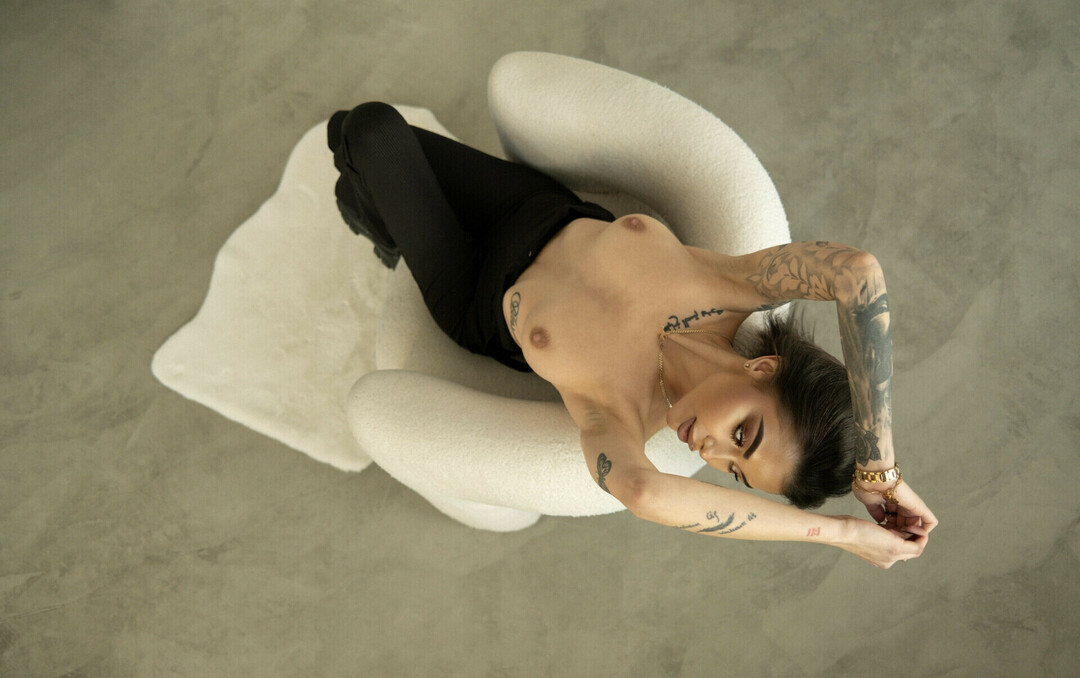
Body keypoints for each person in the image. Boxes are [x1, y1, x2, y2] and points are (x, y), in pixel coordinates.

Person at [328, 102, 937, 568]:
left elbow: (645, 493)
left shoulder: (618, 416)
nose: (711, 453)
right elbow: (856, 274)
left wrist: (844, 533)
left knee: (368, 133)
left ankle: (376, 224)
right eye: (742, 435)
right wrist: (878, 466)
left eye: (733, 471)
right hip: (536, 207)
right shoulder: (730, 285)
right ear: (764, 369)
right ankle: (368, 205)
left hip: (473, 293)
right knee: (350, 131)